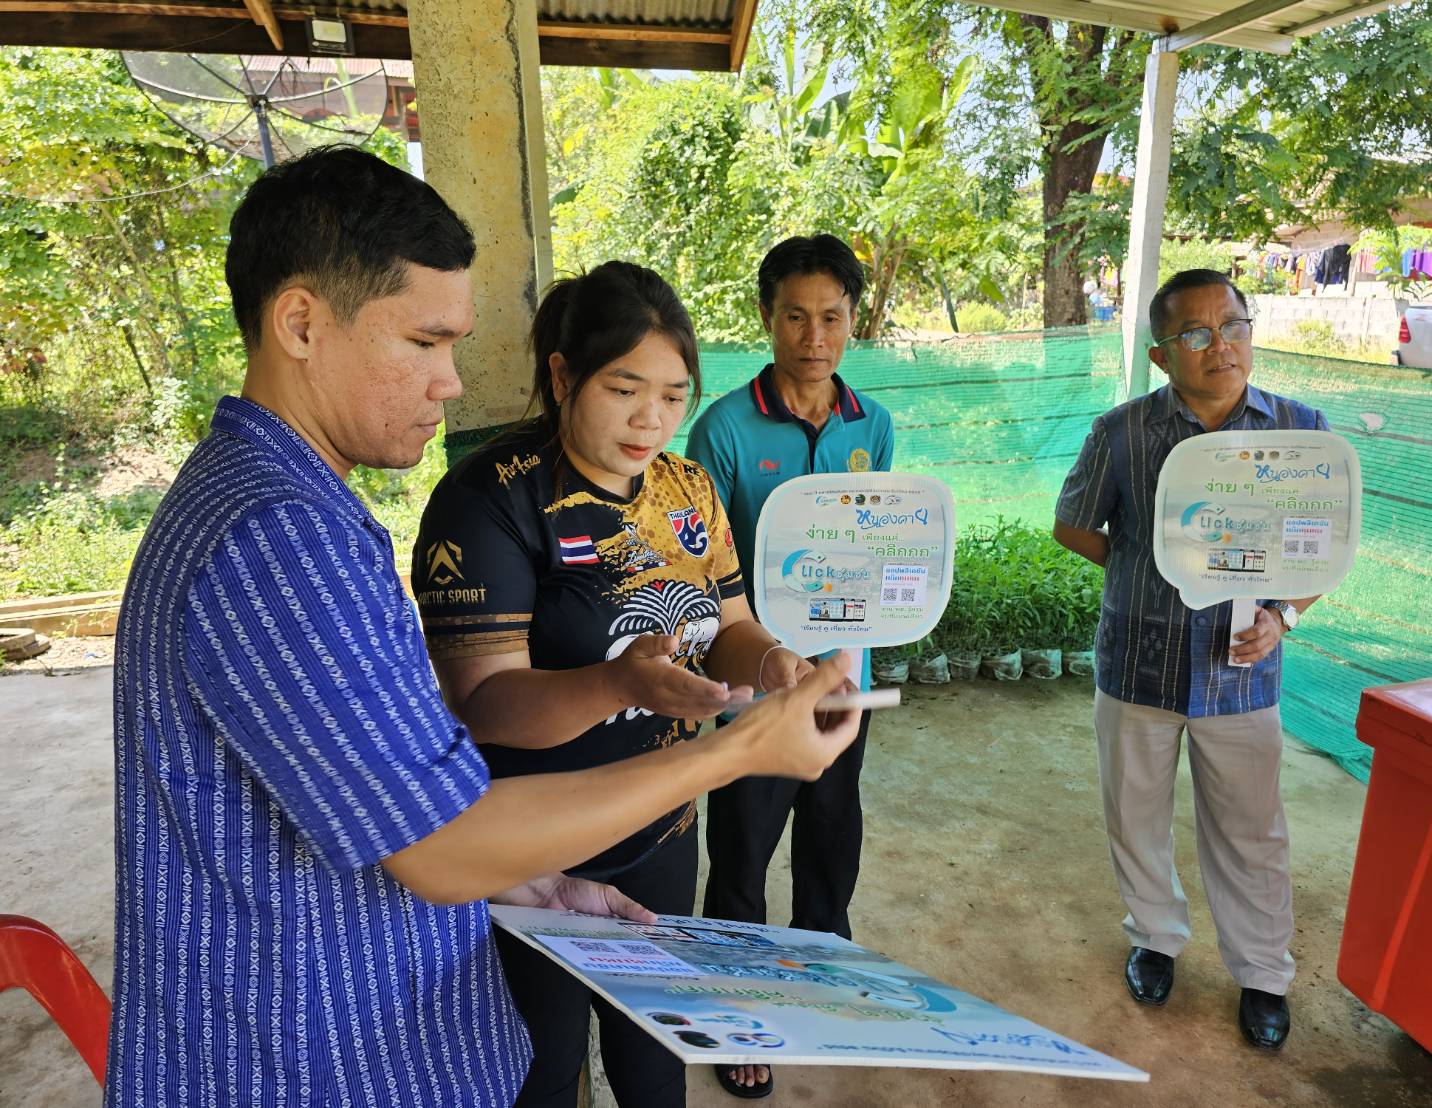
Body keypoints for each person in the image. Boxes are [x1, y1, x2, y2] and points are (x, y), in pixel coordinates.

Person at [107, 146, 861, 1108]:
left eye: (671, 396)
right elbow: (443, 838)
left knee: (652, 1064)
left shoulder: (298, 510)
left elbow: (378, 793)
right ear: (300, 322)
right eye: (424, 343)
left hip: (420, 974)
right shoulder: (283, 536)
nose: (451, 383)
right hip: (314, 1062)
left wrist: (530, 882)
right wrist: (732, 750)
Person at [411, 260, 821, 1108]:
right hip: (528, 847)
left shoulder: (686, 487)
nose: (652, 420)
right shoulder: (489, 502)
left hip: (663, 827)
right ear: (563, 376)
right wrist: (614, 684)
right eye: (624, 389)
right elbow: (483, 704)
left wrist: (773, 663)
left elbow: (730, 625)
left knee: (654, 1055)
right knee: (544, 1065)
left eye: (673, 396)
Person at [1053, 268, 1328, 1052]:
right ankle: (1154, 937)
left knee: (1250, 831)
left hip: (1241, 670)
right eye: (1197, 333)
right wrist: (1151, 566)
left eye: (1234, 324)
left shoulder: (1300, 432)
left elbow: (1321, 552)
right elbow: (1074, 525)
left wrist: (1281, 616)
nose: (1222, 345)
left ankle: (1263, 974)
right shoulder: (1121, 434)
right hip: (1137, 664)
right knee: (1134, 815)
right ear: (1158, 354)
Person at [683, 234, 894, 1098]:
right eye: (796, 317)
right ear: (767, 320)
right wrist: (761, 658)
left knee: (831, 834)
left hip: (845, 672)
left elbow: (880, 543)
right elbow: (697, 558)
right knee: (741, 847)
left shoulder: (870, 424)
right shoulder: (724, 427)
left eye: (832, 317)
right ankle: (737, 1011)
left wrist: (858, 640)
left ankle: (819, 978)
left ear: (854, 321)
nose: (815, 336)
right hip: (753, 680)